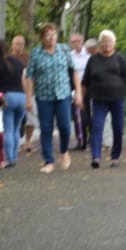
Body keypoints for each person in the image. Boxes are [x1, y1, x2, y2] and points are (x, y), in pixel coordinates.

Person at [25, 23, 82, 173]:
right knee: (46, 128)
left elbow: (74, 71)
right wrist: (29, 98)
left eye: (54, 35)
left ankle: (64, 151)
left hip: (63, 94)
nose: (51, 38)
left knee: (65, 126)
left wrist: (79, 93)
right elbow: (30, 76)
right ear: (42, 38)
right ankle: (48, 160)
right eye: (48, 35)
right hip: (44, 96)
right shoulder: (36, 53)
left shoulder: (63, 50)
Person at [82, 29, 126, 169]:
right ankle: (96, 156)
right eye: (104, 42)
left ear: (114, 43)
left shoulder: (119, 58)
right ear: (100, 44)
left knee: (118, 128)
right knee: (97, 127)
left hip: (118, 98)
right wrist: (81, 99)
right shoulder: (93, 60)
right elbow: (85, 82)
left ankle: (115, 156)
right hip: (99, 99)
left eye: (110, 42)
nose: (107, 44)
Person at [0, 38, 27, 167]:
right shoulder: (19, 63)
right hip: (21, 97)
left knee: (8, 129)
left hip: (7, 97)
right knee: (16, 129)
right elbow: (24, 82)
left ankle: (9, 159)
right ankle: (13, 156)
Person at [12, 34, 36, 154]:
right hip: (14, 92)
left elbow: (34, 73)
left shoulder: (28, 57)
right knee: (15, 119)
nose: (19, 46)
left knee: (31, 119)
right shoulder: (9, 58)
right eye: (17, 43)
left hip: (29, 92)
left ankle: (27, 141)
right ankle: (14, 142)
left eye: (21, 44)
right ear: (13, 45)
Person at [69, 31, 91, 150]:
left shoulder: (88, 55)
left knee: (89, 114)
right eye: (73, 42)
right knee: (78, 115)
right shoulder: (69, 56)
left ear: (82, 42)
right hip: (75, 89)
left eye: (78, 41)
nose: (76, 44)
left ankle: (93, 139)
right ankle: (81, 140)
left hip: (89, 88)